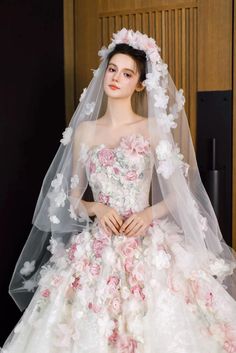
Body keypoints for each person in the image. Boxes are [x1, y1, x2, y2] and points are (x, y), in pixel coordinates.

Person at [1, 28, 236, 353]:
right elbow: (72, 196)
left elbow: (181, 193)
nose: (115, 78)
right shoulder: (85, 132)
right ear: (103, 72)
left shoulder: (152, 129)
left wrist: (148, 213)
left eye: (127, 74)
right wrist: (96, 208)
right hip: (98, 243)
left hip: (145, 238)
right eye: (112, 69)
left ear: (140, 83)